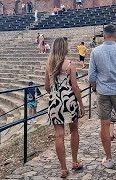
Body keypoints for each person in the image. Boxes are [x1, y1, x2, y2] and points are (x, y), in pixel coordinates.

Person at [88, 25, 116, 169]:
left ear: (104, 36)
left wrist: (95, 88)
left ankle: (108, 158)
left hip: (102, 91)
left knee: (104, 124)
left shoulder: (95, 51)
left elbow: (91, 76)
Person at [45, 37, 85, 178]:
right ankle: (74, 161)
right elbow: (75, 87)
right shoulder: (70, 64)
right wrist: (81, 104)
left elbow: (47, 87)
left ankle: (63, 169)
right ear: (64, 48)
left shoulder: (49, 64)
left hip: (55, 102)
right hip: (69, 102)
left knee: (59, 135)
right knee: (74, 131)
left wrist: (56, 94)